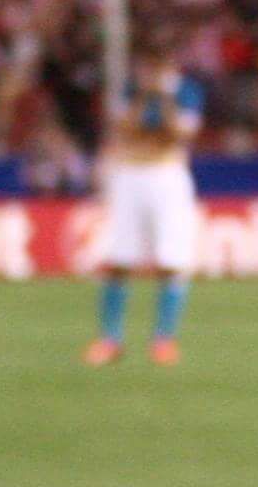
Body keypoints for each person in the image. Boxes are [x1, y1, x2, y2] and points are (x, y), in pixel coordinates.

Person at [84, 61, 204, 364]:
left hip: (167, 174)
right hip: (130, 173)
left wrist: (162, 101)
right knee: (119, 258)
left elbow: (178, 134)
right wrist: (143, 98)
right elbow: (125, 129)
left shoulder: (186, 91)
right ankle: (110, 339)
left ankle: (164, 339)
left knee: (171, 259)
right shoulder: (130, 90)